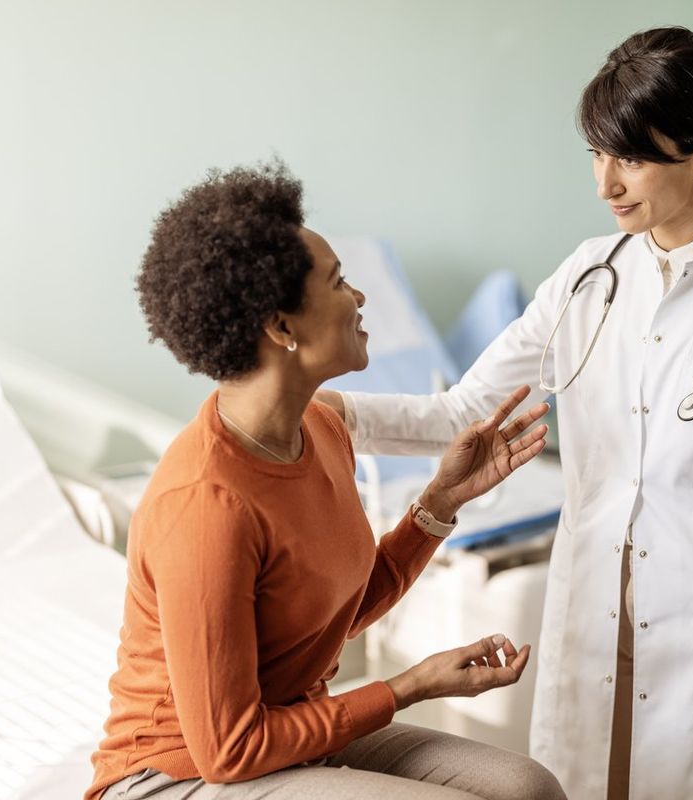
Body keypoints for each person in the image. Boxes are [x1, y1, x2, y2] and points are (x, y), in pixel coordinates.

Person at [318, 26, 693, 800]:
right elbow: (468, 408)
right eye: (597, 154)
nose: (606, 183)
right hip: (594, 618)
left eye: (631, 157)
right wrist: (327, 410)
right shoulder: (587, 278)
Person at [85, 162, 566, 800]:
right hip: (176, 773)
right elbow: (231, 749)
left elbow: (330, 618)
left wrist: (442, 500)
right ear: (281, 329)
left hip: (290, 727)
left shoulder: (323, 427)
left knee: (527, 789)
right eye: (339, 282)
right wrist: (408, 686)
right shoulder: (205, 504)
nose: (360, 298)